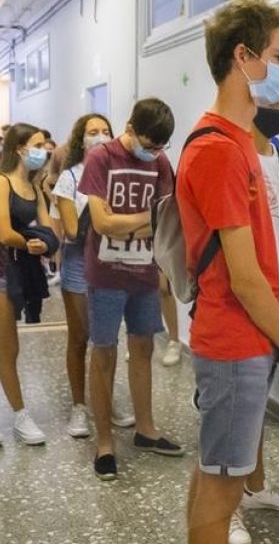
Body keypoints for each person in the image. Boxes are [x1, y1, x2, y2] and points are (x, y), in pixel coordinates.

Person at [178, 0, 279, 544]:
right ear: (244, 56)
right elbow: (245, 275)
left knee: (215, 474)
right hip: (235, 341)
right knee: (222, 492)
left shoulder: (238, 143)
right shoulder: (219, 150)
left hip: (242, 339)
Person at [222, 86, 279, 544]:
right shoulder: (231, 154)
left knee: (257, 403)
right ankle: (227, 509)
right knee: (229, 410)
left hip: (276, 302)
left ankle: (252, 488)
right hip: (237, 304)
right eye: (272, 102)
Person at [79, 98, 184, 480]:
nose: (154, 152)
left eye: (160, 147)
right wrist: (147, 219)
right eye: (148, 143)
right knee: (103, 353)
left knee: (142, 348)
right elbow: (102, 223)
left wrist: (135, 222)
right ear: (130, 126)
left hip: (143, 274)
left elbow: (169, 219)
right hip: (105, 274)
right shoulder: (101, 158)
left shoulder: (159, 162)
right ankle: (104, 442)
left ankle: (145, 428)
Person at [0, 123, 54, 447]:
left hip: (23, 271)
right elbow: (4, 232)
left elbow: (49, 230)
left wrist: (43, 243)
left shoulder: (34, 185)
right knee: (8, 348)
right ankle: (20, 415)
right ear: (19, 148)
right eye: (38, 144)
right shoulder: (0, 182)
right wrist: (36, 242)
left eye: (45, 145)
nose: (44, 150)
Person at [52, 113, 135, 437]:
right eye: (92, 132)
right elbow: (70, 230)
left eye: (105, 131)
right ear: (80, 139)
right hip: (77, 264)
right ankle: (79, 407)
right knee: (80, 336)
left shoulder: (120, 173)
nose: (99, 137)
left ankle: (106, 400)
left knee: (108, 338)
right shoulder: (69, 179)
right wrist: (104, 217)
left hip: (113, 261)